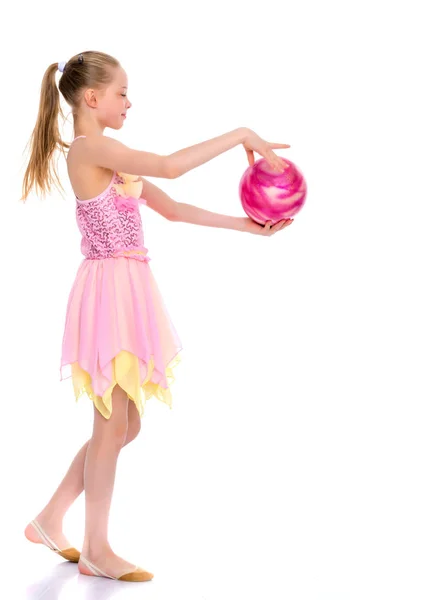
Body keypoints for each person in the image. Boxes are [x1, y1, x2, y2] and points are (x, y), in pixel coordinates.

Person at [20, 50, 292, 583]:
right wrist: (240, 133)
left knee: (126, 424)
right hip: (107, 294)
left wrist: (248, 224)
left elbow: (171, 207)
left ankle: (50, 519)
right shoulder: (90, 149)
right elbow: (169, 165)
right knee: (111, 423)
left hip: (129, 288)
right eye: (122, 92)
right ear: (92, 99)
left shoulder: (110, 155)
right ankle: (96, 547)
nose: (129, 101)